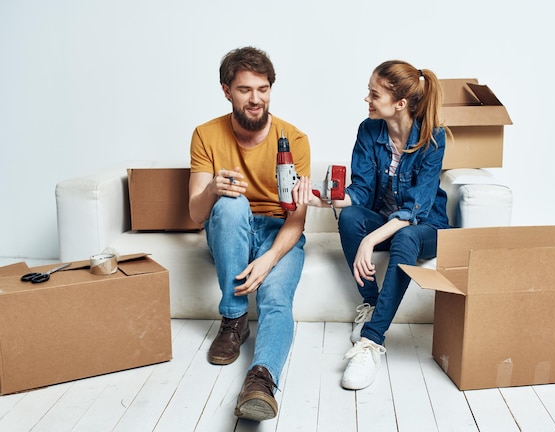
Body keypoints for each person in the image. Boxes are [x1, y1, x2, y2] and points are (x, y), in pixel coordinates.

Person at [294, 60, 451, 390]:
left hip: (428, 228)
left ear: (400, 103)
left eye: (373, 93)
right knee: (350, 216)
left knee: (406, 236)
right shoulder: (369, 130)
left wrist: (369, 241)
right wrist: (326, 200)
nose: (367, 99)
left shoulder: (433, 138)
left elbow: (414, 211)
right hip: (385, 222)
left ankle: (371, 340)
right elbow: (361, 190)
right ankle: (372, 304)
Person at [188, 46, 310, 421]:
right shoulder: (205, 134)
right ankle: (233, 318)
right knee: (230, 202)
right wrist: (213, 189)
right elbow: (196, 215)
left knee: (275, 302)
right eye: (245, 90)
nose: (256, 99)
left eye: (263, 88)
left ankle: (261, 381)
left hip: (279, 232)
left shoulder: (295, 139)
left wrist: (269, 259)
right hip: (230, 226)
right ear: (227, 90)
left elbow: (297, 220)